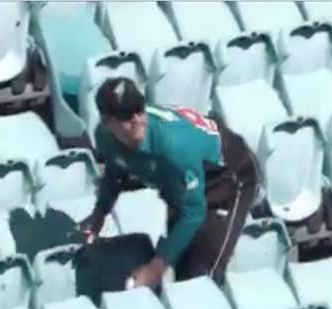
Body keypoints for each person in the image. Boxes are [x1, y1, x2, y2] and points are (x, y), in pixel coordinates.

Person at [82, 77, 260, 288]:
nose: (137, 119)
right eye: (126, 116)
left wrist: (156, 267)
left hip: (227, 179)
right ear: (107, 122)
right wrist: (100, 212)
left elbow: (194, 213)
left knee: (200, 281)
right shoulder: (105, 137)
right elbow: (116, 169)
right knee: (181, 266)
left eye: (139, 109)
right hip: (179, 181)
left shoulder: (172, 146)